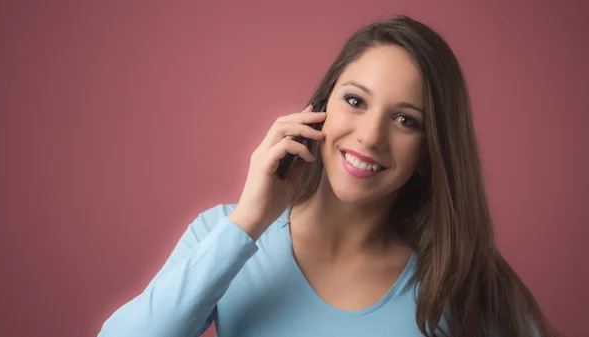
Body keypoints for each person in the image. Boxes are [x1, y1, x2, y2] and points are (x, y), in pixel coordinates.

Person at [97, 15, 559, 337]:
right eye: (355, 101)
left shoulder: (459, 278)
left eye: (406, 121)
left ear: (428, 151)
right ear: (319, 110)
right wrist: (249, 222)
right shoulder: (221, 233)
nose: (370, 136)